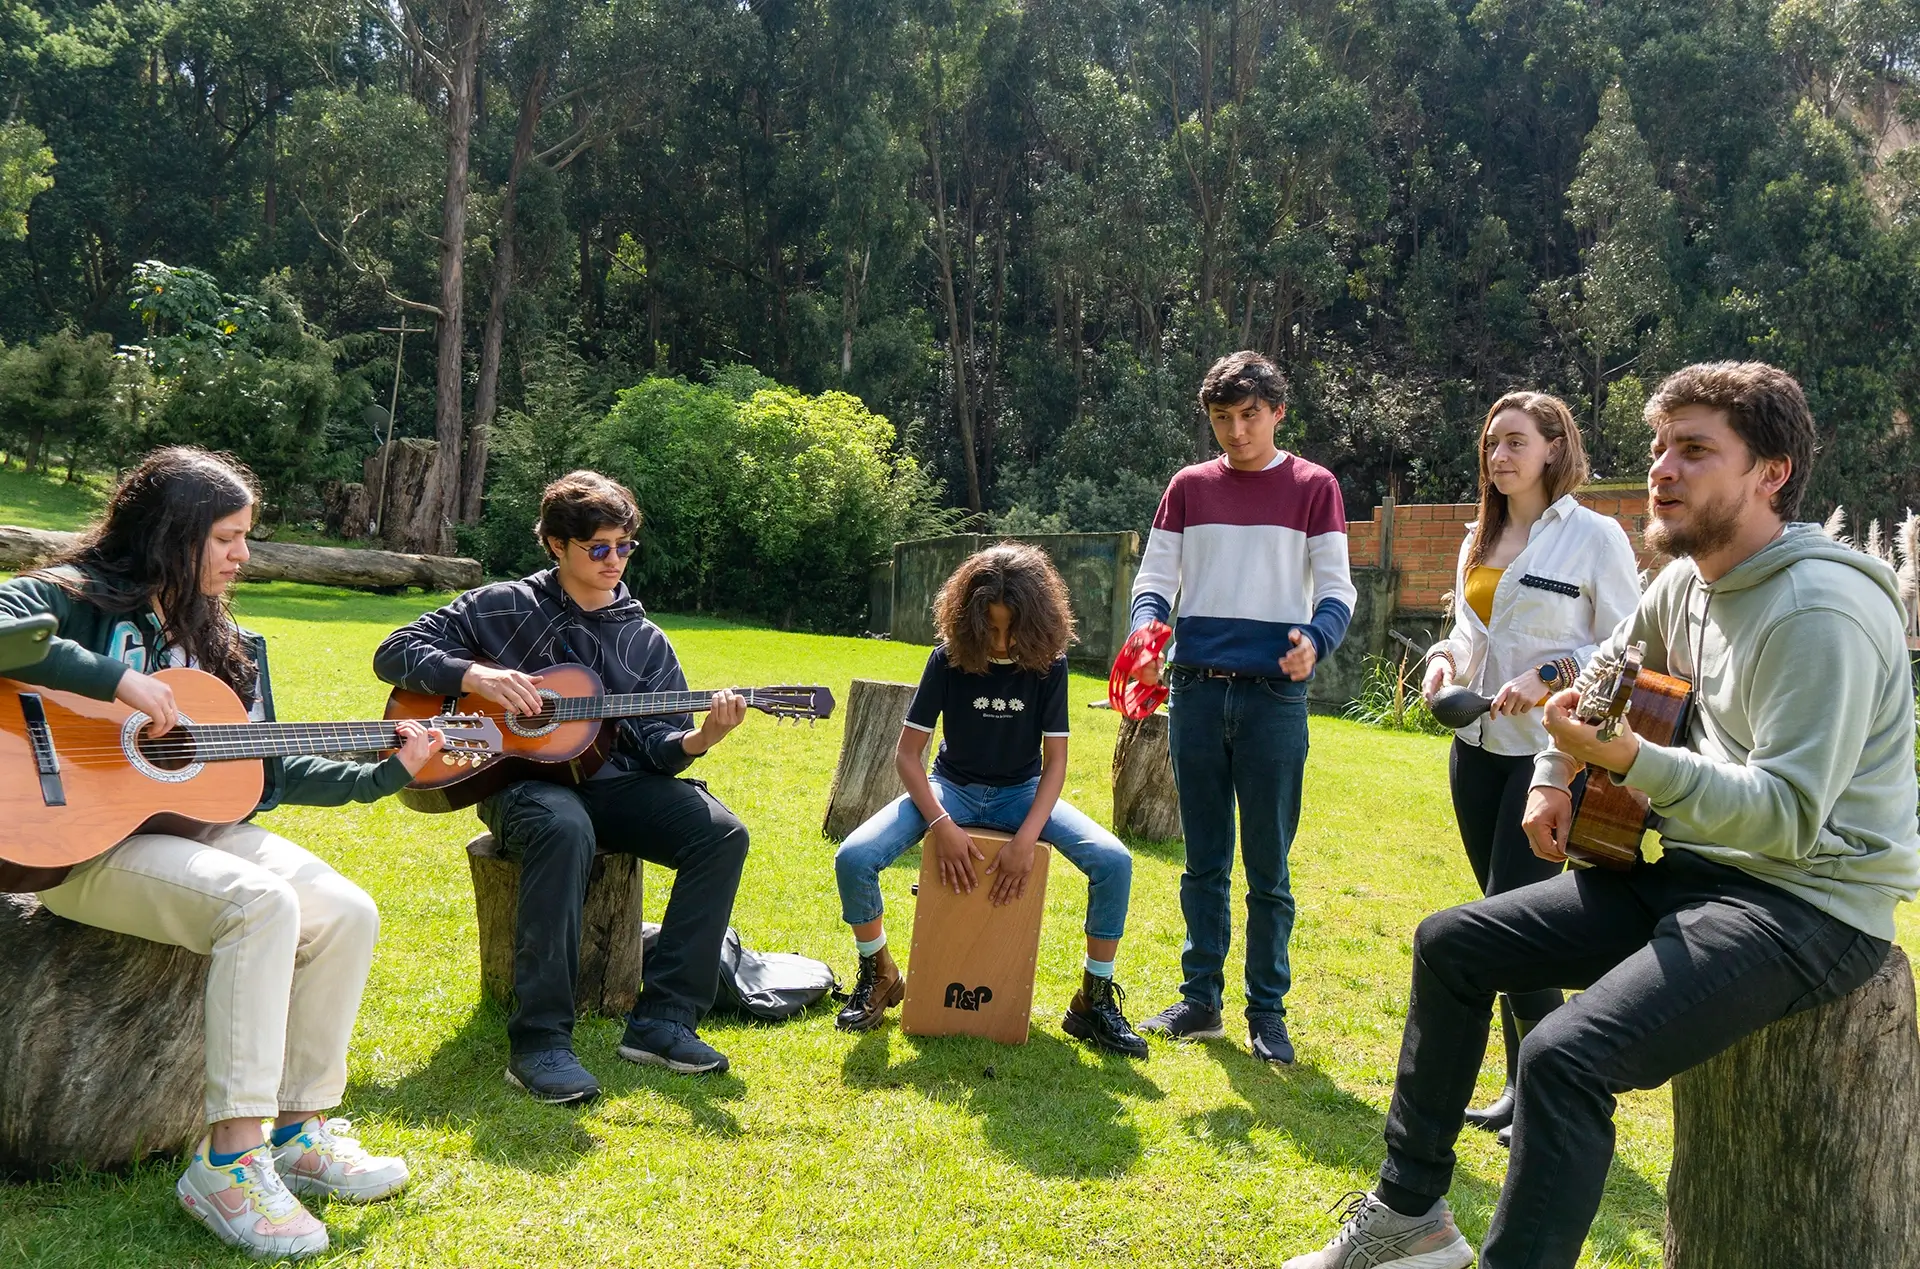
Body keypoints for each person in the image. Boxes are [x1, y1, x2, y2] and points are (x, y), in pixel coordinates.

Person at [1284, 361, 1920, 1269]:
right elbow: (1599, 679)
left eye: (1696, 450)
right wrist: (1552, 773)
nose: (1663, 468)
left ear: (1770, 472)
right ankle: (1411, 1218)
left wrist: (1632, 762)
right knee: (1450, 945)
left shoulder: (1823, 608)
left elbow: (1788, 817)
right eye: (1661, 446)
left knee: (1562, 1057)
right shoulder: (1685, 584)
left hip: (1808, 905)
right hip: (1698, 875)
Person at [0, 447, 446, 1262]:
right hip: (72, 844)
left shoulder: (228, 639)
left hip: (186, 832)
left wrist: (388, 772)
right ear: (173, 533)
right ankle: (228, 1161)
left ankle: (298, 1127)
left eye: (246, 536)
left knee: (346, 910)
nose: (245, 555)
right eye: (229, 537)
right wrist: (113, 682)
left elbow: (263, 772)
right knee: (259, 904)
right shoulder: (68, 596)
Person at [374, 470, 751, 1105]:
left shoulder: (643, 640)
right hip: (511, 774)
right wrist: (477, 677)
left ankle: (663, 1022)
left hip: (612, 783)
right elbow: (395, 651)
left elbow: (660, 745)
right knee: (563, 824)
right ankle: (539, 1043)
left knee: (720, 835)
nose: (614, 561)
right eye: (597, 548)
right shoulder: (500, 606)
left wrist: (700, 740)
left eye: (624, 547)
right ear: (555, 544)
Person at [1419, 391, 1640, 1142]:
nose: (1499, 456)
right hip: (1475, 750)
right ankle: (1520, 1088)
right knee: (1500, 917)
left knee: (1514, 925)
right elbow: (1465, 627)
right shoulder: (1478, 536)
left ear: (1553, 447)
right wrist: (1443, 662)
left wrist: (1551, 671)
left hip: (1549, 757)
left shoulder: (1595, 538)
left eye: (1515, 442)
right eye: (1490, 444)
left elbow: (1626, 646)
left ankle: (1547, 1096)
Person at [1126, 350, 1357, 1065]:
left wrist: (1315, 643)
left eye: (1249, 415)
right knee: (1202, 858)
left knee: (1268, 866)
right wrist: (1144, 632)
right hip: (1195, 689)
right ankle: (1201, 1001)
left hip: (1274, 696)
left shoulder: (1315, 486)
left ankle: (1267, 1011)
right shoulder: (1189, 488)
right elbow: (1156, 578)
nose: (1236, 430)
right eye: (1222, 418)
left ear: (1278, 411)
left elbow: (1339, 591)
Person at [832, 542, 1146, 1058]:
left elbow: (1057, 763)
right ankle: (880, 972)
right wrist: (940, 824)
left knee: (1113, 860)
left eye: (1012, 629)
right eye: (991, 629)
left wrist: (1026, 839)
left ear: (1038, 618)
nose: (1001, 642)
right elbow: (908, 756)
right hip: (949, 789)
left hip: (1021, 795)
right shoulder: (948, 660)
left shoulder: (1050, 665)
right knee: (855, 857)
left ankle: (1094, 1000)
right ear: (970, 620)